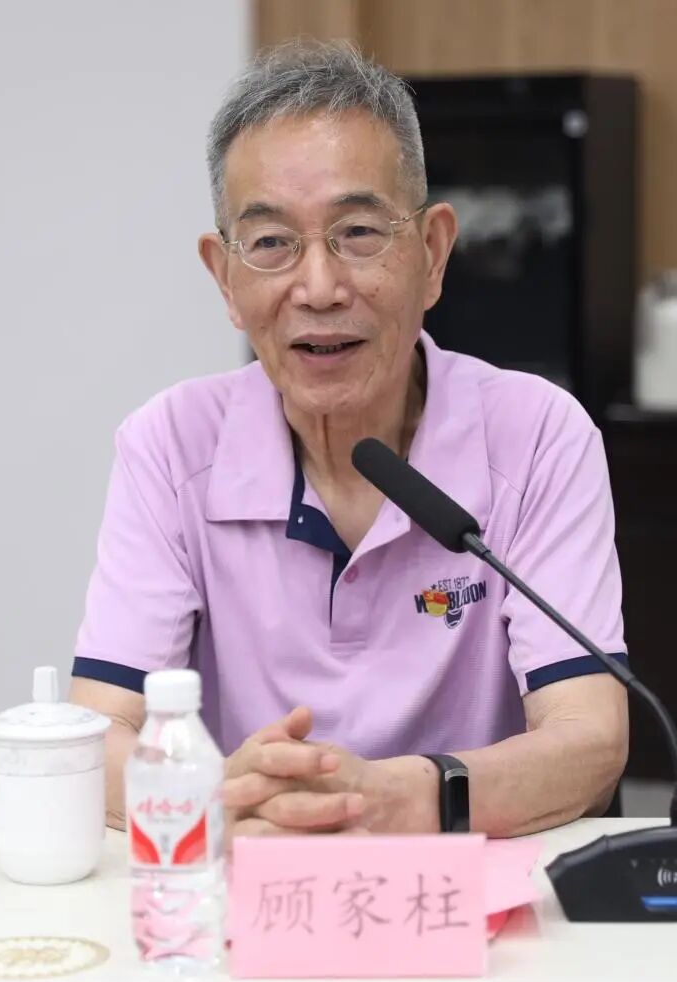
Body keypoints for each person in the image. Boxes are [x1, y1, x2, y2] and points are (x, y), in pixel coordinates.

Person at [69, 40, 628, 841]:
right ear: (225, 278)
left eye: (359, 232)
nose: (320, 287)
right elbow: (97, 739)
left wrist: (408, 797)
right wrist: (222, 798)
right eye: (271, 243)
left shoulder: (538, 436)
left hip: (468, 886)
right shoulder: (170, 446)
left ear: (432, 254)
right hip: (254, 877)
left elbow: (590, 737)